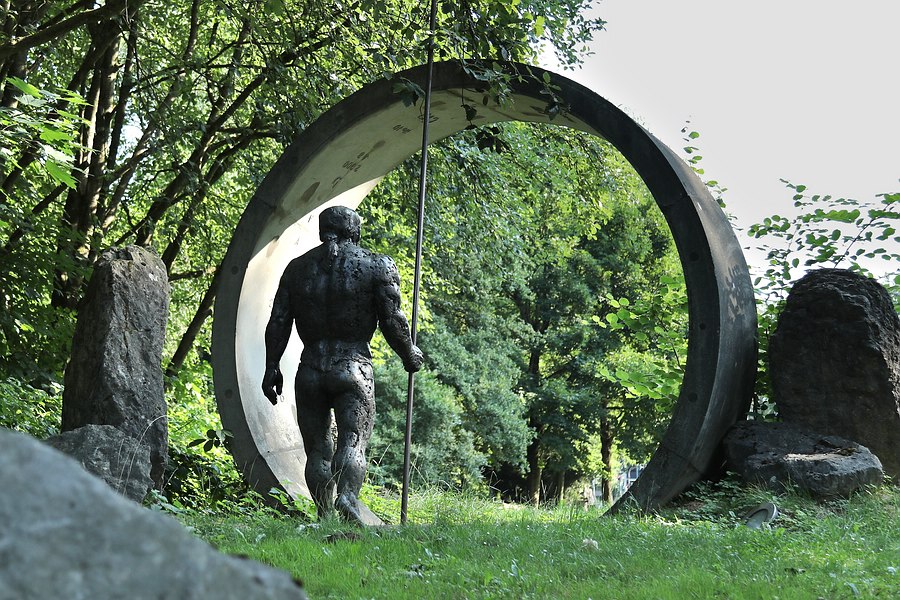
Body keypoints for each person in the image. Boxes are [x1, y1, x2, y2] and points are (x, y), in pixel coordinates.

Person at [261, 205, 423, 524]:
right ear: (355, 230)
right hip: (353, 367)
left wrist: (272, 366)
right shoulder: (377, 265)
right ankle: (347, 497)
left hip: (310, 370)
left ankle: (325, 517)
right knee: (353, 441)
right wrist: (409, 353)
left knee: (317, 449)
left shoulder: (297, 269)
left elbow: (278, 320)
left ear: (323, 231)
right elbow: (392, 319)